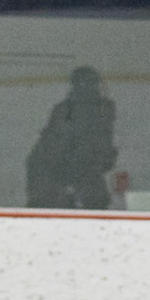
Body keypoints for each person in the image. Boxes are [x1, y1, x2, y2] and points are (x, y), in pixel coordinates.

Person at [24, 65, 118, 209]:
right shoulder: (66, 111)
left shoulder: (101, 110)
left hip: (81, 181)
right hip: (61, 181)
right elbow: (55, 148)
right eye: (86, 83)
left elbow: (103, 153)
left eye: (92, 83)